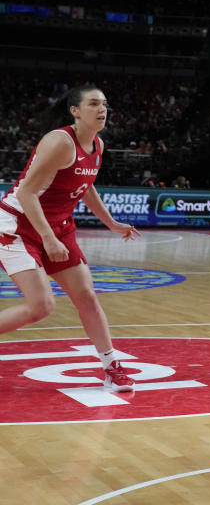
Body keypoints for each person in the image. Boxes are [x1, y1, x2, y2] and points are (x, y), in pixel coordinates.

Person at [0, 85, 140, 391]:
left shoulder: (98, 146)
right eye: (93, 104)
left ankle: (111, 365)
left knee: (87, 296)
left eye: (104, 104)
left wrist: (112, 223)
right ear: (75, 111)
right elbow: (26, 192)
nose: (102, 109)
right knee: (41, 306)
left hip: (58, 225)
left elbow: (85, 187)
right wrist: (48, 239)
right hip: (19, 224)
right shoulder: (60, 141)